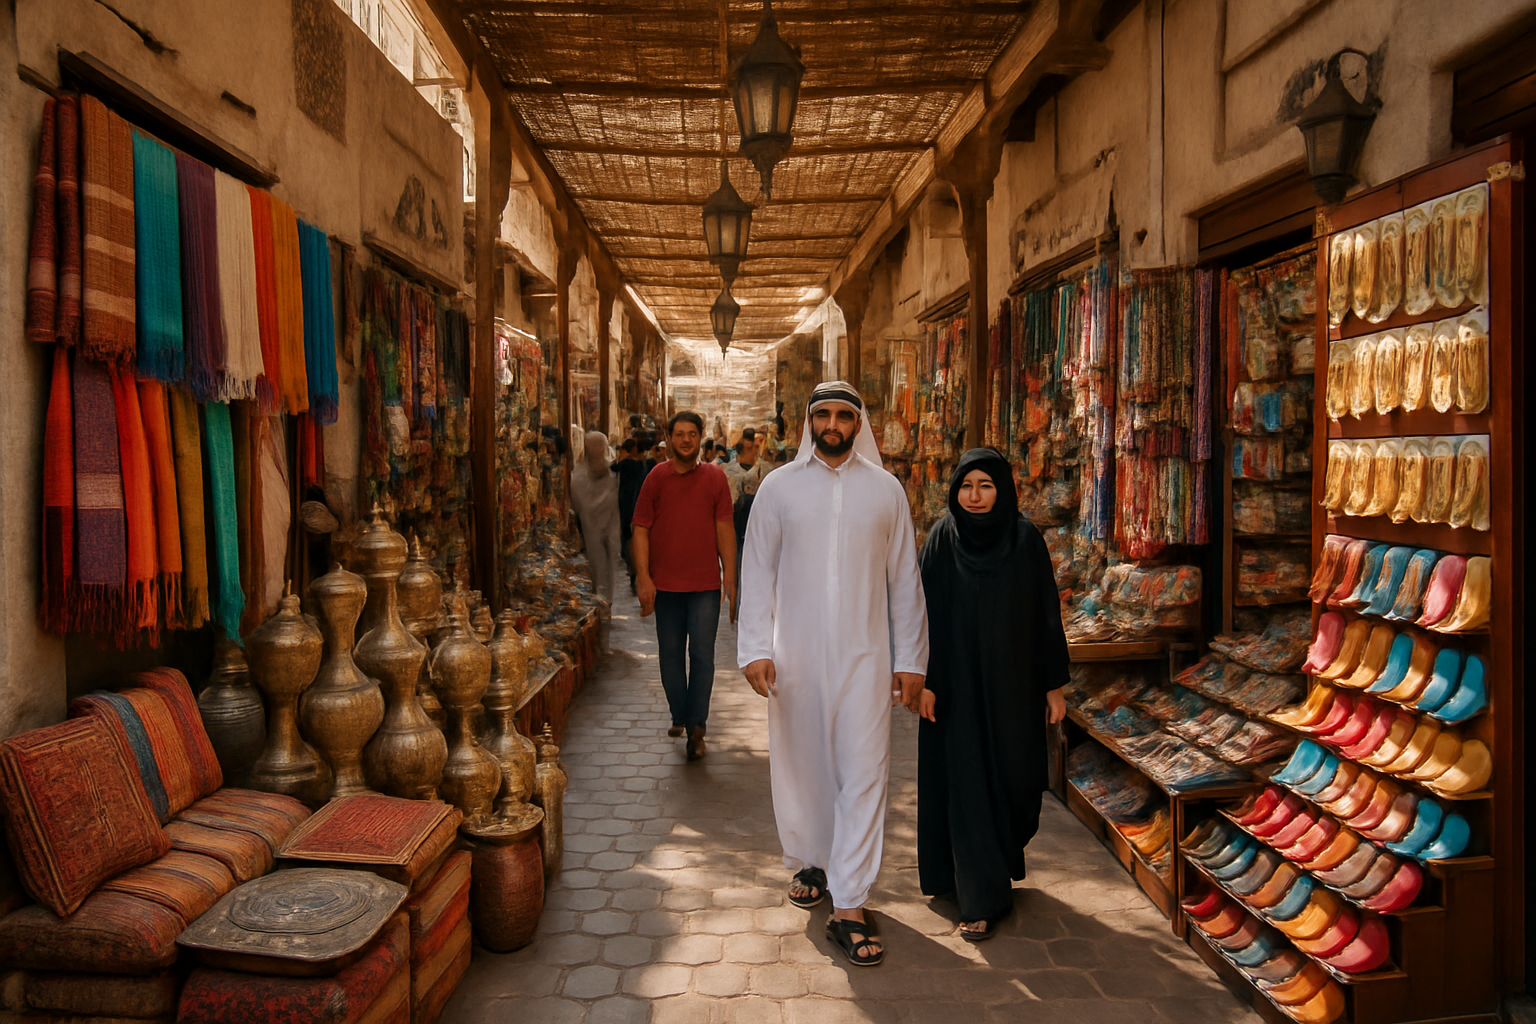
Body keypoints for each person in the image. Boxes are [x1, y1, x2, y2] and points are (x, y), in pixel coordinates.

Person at [738, 381, 928, 968]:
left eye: (846, 415)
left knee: (865, 772)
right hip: (795, 660)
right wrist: (753, 648)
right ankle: (815, 859)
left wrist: (910, 660)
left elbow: (905, 581)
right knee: (807, 768)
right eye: (824, 414)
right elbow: (757, 570)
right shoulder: (778, 488)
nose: (835, 424)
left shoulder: (886, 491)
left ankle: (849, 904)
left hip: (867, 661)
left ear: (858, 422)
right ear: (809, 421)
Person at [915, 448, 1069, 941]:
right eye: (966, 486)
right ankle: (979, 896)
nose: (975, 497)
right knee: (966, 783)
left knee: (1017, 780)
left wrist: (1053, 685)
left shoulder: (1024, 540)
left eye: (985, 485)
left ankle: (992, 864)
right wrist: (925, 681)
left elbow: (1047, 615)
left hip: (1013, 691)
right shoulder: (942, 539)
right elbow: (923, 617)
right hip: (955, 690)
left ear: (1002, 489)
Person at [633, 411, 737, 760]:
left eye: (692, 434)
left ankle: (696, 725)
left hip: (705, 585)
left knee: (703, 655)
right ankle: (680, 712)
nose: (686, 440)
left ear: (701, 438)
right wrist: (643, 577)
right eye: (679, 434)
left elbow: (725, 530)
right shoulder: (655, 479)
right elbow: (641, 530)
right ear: (669, 438)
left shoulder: (715, 478)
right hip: (666, 588)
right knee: (670, 656)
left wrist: (731, 580)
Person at [569, 431, 622, 607]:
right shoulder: (579, 474)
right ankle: (598, 596)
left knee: (610, 564)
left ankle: (608, 598)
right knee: (596, 563)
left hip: (611, 524)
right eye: (595, 445)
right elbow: (579, 501)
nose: (598, 449)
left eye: (601, 445)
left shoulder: (613, 471)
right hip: (591, 525)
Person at [724, 427, 768, 549]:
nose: (753, 452)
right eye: (748, 449)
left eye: (755, 447)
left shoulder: (765, 469)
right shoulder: (730, 470)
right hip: (737, 525)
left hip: (759, 525)